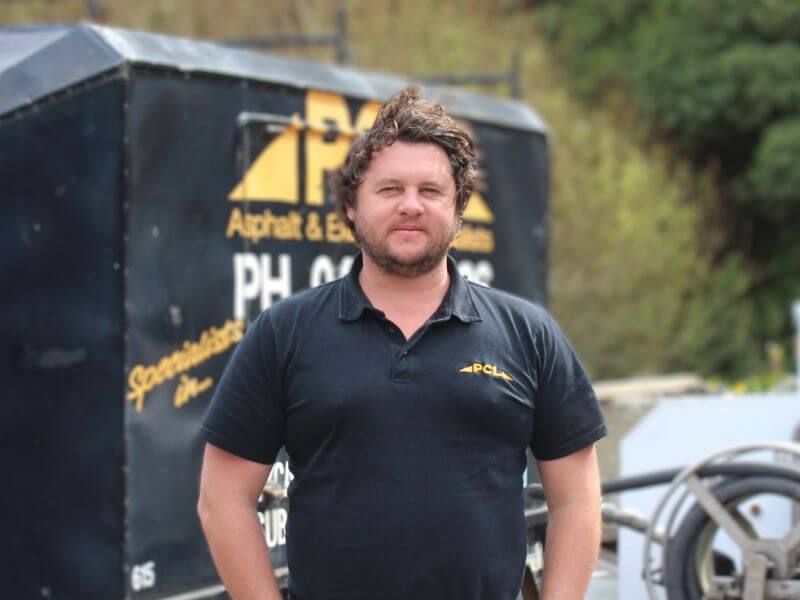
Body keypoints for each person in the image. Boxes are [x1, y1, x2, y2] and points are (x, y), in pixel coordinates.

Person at [197, 87, 607, 600]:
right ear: (351, 206)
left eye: (430, 190)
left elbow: (577, 500)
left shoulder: (528, 333)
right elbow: (223, 499)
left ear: (458, 208)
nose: (411, 206)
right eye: (389, 189)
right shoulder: (283, 333)